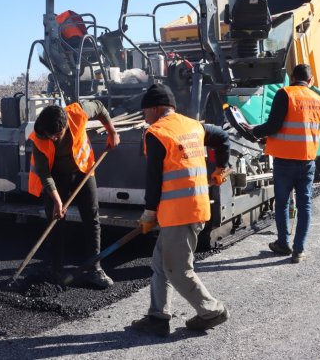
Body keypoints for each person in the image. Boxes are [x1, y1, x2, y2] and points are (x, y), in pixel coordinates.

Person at [131, 83, 230, 337]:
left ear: (155, 108)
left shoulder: (157, 133)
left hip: (178, 214)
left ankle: (211, 311)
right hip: (194, 208)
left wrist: (148, 214)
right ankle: (158, 317)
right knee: (161, 264)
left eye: (145, 112)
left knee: (177, 270)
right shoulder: (192, 125)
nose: (144, 117)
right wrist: (221, 167)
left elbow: (154, 179)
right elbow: (222, 137)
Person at [28, 101, 120, 288]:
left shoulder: (78, 112)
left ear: (64, 125)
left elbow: (100, 108)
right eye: (49, 136)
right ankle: (56, 271)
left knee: (92, 219)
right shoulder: (39, 138)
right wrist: (57, 201)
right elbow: (44, 174)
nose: (52, 139)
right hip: (55, 176)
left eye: (56, 135)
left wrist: (112, 131)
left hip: (83, 170)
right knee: (55, 222)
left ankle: (95, 268)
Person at [243, 64, 320, 263]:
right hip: (307, 160)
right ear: (310, 80)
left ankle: (283, 244)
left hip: (285, 160)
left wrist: (254, 131)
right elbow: (302, 129)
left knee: (282, 203)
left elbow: (274, 125)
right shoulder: (318, 100)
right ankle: (299, 250)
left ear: (292, 77)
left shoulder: (285, 93)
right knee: (305, 204)